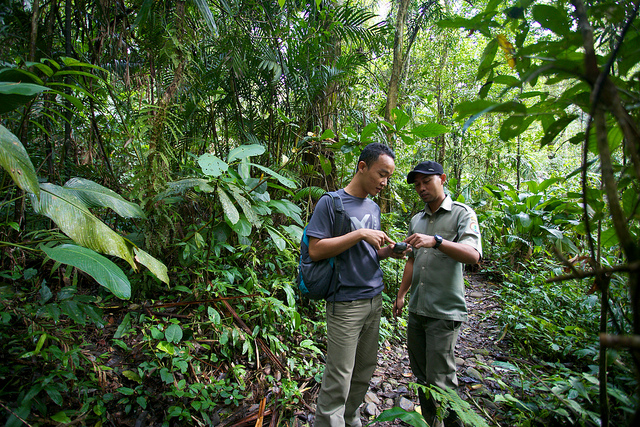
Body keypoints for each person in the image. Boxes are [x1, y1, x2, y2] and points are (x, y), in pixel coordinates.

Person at [307, 142, 405, 427]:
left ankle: (350, 419)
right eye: (381, 174)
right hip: (345, 302)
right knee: (339, 376)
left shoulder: (372, 207)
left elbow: (368, 253)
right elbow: (316, 249)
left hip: (374, 300)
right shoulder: (331, 202)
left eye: (388, 177)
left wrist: (389, 252)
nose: (385, 182)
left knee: (363, 371)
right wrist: (360, 233)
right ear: (362, 167)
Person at [393, 161, 482, 427]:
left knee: (441, 379)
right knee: (422, 377)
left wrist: (438, 241)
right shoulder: (416, 220)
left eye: (426, 181)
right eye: (417, 184)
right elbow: (411, 260)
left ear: (442, 179)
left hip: (444, 311)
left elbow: (473, 255)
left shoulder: (462, 214)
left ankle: (453, 423)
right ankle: (432, 422)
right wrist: (401, 294)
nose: (421, 188)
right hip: (417, 309)